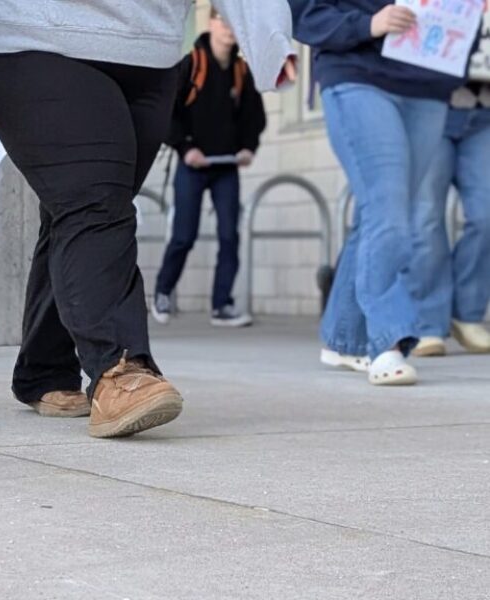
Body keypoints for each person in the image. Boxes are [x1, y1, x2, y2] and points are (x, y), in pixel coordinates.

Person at [0, 0, 296, 437]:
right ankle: (120, 367)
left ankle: (44, 369)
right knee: (95, 205)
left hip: (152, 53)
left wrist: (270, 39)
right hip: (37, 39)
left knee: (82, 210)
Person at [291, 0, 479, 385]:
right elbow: (302, 12)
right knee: (389, 214)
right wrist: (367, 24)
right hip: (358, 75)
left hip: (429, 82)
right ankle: (386, 343)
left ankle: (343, 339)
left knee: (381, 216)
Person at [152, 7, 266, 328]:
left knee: (229, 235)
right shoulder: (192, 65)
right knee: (183, 235)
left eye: (235, 24)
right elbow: (168, 114)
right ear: (212, 23)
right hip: (193, 166)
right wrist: (186, 149)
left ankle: (222, 305)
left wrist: (247, 148)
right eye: (224, 21)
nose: (229, 29)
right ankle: (163, 293)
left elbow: (253, 119)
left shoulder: (241, 71)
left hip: (225, 167)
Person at [410, 79, 490, 356]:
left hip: (485, 111)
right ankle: (427, 322)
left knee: (486, 216)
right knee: (426, 216)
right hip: (428, 104)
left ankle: (466, 315)